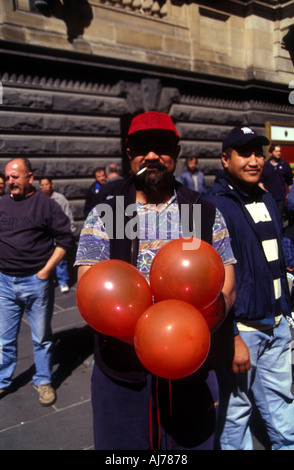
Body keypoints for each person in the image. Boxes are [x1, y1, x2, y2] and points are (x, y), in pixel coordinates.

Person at [75, 111, 236, 450]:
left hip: (190, 373)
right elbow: (90, 288)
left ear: (175, 153)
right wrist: (145, 338)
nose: (151, 156)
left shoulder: (203, 212)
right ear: (128, 153)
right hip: (122, 373)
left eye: (161, 146)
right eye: (140, 147)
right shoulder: (108, 212)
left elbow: (226, 288)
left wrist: (180, 339)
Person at [205, 126, 294, 450]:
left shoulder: (268, 198)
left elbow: (271, 259)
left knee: (282, 400)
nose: (254, 160)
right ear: (225, 159)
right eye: (245, 153)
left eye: (259, 152)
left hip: (277, 322)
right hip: (243, 331)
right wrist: (231, 337)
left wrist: (285, 309)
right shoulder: (213, 207)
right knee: (236, 411)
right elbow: (211, 283)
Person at [0, 158, 73, 405]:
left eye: (15, 177)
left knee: (41, 337)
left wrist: (45, 271)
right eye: (8, 177)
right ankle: (2, 381)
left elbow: (65, 240)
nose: (10, 182)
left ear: (29, 177)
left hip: (36, 282)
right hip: (5, 283)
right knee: (5, 338)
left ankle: (43, 381)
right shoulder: (1, 204)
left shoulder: (46, 205)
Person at [39, 177, 77, 293]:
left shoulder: (60, 199)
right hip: (44, 236)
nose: (44, 187)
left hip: (58, 234)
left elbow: (68, 215)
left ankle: (63, 281)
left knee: (61, 260)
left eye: (46, 184)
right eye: (42, 185)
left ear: (51, 185)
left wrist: (70, 231)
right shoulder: (38, 199)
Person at [259, 144, 293, 225]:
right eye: (276, 151)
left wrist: (290, 194)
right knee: (269, 218)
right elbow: (259, 180)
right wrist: (261, 187)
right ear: (271, 153)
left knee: (279, 218)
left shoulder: (285, 165)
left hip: (281, 197)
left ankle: (279, 236)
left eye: (279, 151)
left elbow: (290, 181)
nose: (278, 153)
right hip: (268, 197)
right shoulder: (265, 165)